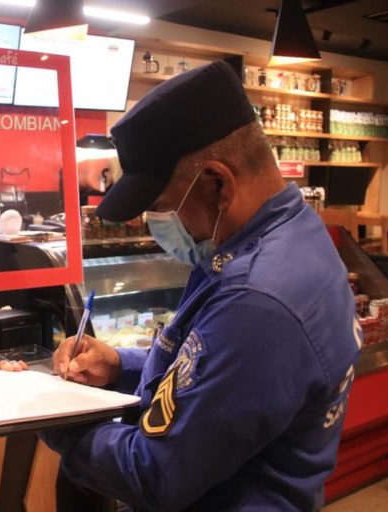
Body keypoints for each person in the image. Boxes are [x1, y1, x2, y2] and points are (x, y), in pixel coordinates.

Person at [35, 61, 361, 511]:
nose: (151, 223)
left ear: (217, 183)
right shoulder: (284, 236)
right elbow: (208, 368)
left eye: (161, 205)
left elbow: (156, 473)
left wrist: (49, 415)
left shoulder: (258, 297)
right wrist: (118, 365)